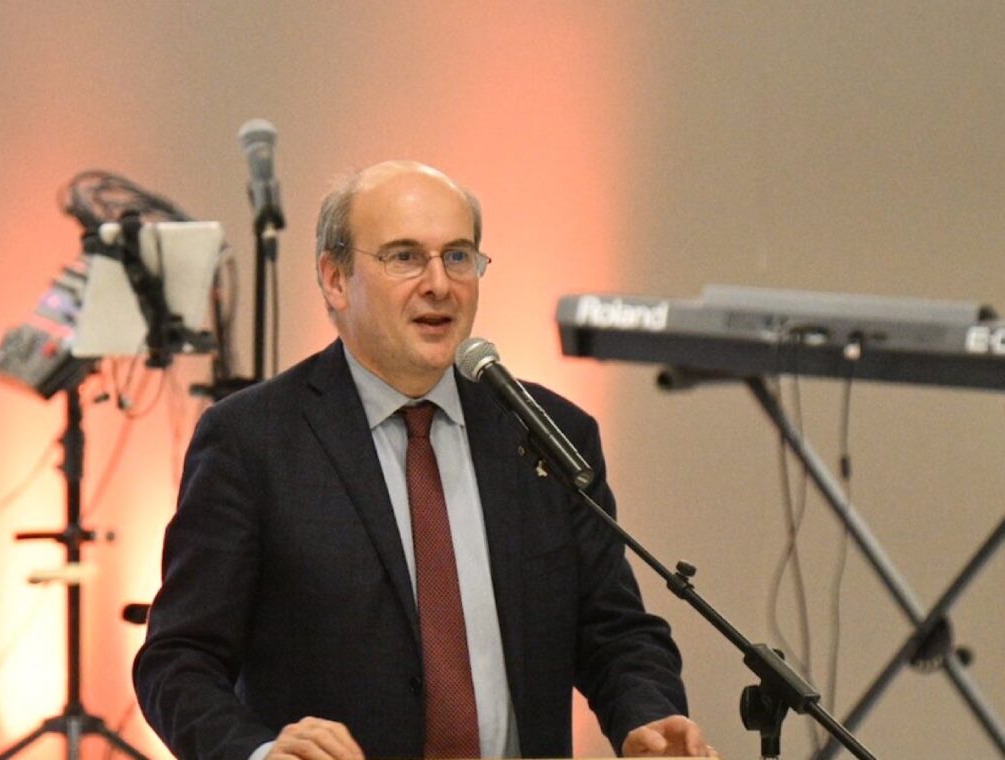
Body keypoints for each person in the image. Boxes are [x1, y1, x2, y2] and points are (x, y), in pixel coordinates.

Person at [134, 160, 716, 759]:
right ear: (335, 279)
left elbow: (614, 631)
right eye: (405, 257)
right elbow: (179, 660)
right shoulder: (251, 440)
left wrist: (648, 716)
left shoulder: (549, 434)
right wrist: (256, 753)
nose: (439, 283)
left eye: (458, 256)